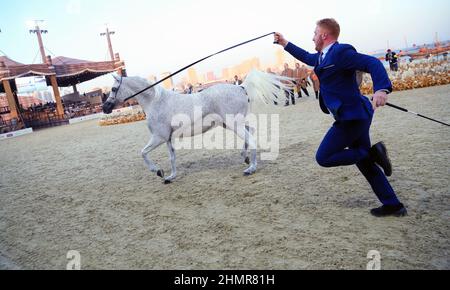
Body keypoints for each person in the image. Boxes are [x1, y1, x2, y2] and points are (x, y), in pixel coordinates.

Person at [274, 18, 407, 217]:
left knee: (324, 157)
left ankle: (372, 153)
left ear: (324, 35)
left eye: (314, 33)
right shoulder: (323, 56)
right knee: (364, 163)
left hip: (352, 117)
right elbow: (307, 56)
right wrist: (285, 43)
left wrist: (381, 89)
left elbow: (371, 62)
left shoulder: (341, 52)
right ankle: (393, 204)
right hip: (355, 114)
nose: (312, 37)